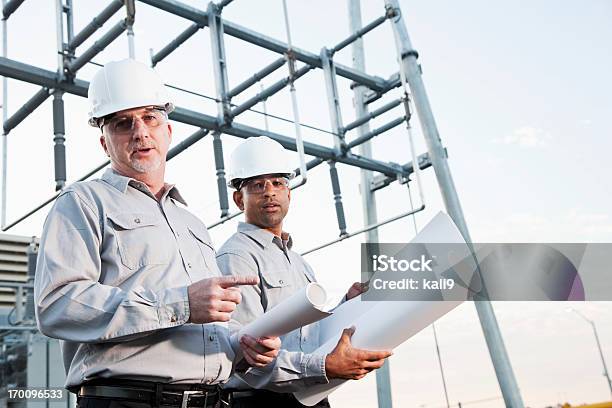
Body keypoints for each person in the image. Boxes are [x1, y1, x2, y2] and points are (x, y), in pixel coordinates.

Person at [34, 59, 281, 408]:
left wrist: (240, 347)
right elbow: (58, 305)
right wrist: (180, 304)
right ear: (105, 144)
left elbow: (202, 326)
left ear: (168, 131)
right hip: (127, 401)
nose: (140, 132)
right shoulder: (83, 202)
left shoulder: (192, 224)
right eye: (122, 123)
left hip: (211, 399)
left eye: (150, 117)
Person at [216, 136, 392, 407]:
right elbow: (245, 353)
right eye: (257, 185)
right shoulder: (236, 256)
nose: (269, 192)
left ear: (289, 194)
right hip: (260, 401)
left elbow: (310, 335)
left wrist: (347, 304)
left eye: (278, 183)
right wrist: (323, 367)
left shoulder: (299, 263)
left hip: (310, 396)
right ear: (239, 199)